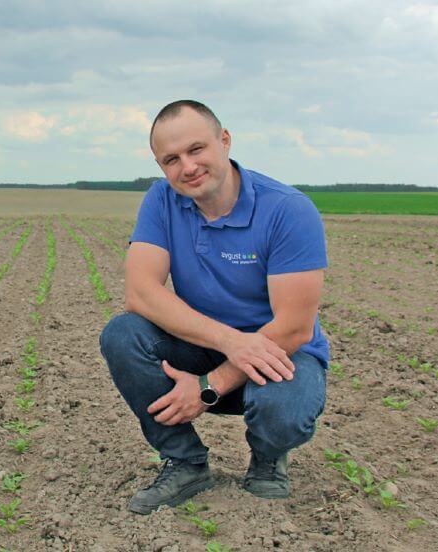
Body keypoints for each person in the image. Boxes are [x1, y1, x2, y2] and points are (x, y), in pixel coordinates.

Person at [100, 100, 329, 514]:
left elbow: (294, 328)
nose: (187, 167)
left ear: (224, 141)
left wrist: (208, 389)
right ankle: (185, 462)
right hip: (206, 345)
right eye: (171, 160)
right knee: (123, 334)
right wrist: (230, 342)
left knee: (284, 410)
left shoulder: (288, 210)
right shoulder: (163, 201)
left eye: (196, 149)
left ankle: (267, 457)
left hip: (278, 353)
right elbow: (141, 293)